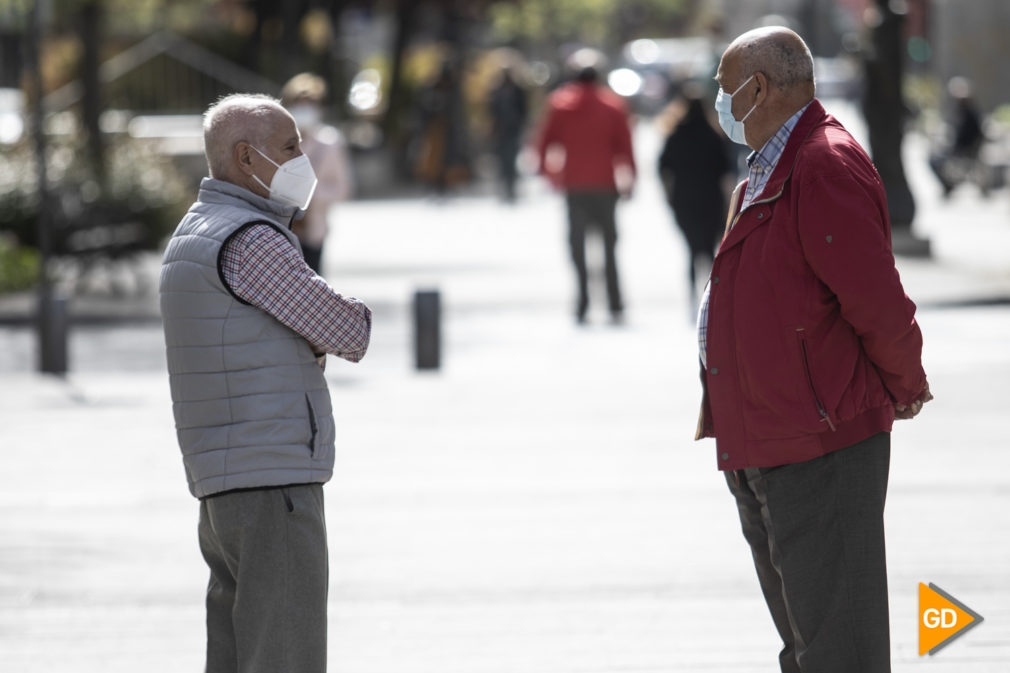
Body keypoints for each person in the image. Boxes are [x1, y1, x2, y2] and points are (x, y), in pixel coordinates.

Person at [695, 27, 932, 673]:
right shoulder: (771, 163)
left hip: (817, 441)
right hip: (767, 437)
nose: (719, 103)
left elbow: (874, 296)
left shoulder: (822, 161)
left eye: (724, 90)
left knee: (838, 649)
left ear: (759, 88)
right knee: (807, 646)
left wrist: (906, 385)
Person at [159, 93, 371, 673]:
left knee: (237, 655)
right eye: (291, 147)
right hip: (271, 479)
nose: (304, 158)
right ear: (247, 159)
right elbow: (346, 328)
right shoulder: (249, 238)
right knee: (285, 656)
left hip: (226, 484)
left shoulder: (196, 232)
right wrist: (318, 337)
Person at [535, 49, 636, 324]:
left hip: (575, 186)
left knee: (577, 247)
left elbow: (544, 143)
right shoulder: (613, 105)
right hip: (605, 186)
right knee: (609, 246)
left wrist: (548, 174)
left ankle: (582, 302)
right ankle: (614, 303)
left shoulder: (559, 104)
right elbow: (625, 146)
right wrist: (631, 179)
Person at [657, 86, 733, 310]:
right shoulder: (714, 136)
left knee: (691, 248)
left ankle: (693, 296)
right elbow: (726, 171)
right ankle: (711, 295)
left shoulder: (675, 135)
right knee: (710, 248)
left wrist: (668, 194)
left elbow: (662, 167)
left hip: (684, 199)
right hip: (710, 199)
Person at [281, 73, 355, 275]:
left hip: (314, 228)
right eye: (299, 104)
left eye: (309, 105)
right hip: (281, 228)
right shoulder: (277, 141)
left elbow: (342, 187)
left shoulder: (330, 142)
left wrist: (311, 195)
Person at [928, 76, 987, 198]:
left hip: (963, 152)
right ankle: (948, 185)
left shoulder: (970, 114)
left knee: (934, 160)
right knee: (933, 157)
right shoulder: (963, 112)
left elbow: (970, 137)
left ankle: (948, 186)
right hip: (959, 150)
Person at [487, 63, 529, 202]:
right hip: (500, 131)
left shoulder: (518, 89)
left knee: (512, 158)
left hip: (513, 129)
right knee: (501, 160)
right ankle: (503, 187)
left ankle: (512, 187)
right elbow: (491, 110)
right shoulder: (496, 90)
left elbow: (523, 109)